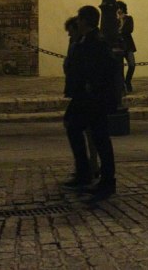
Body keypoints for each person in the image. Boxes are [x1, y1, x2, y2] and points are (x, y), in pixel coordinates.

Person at [63, 5, 117, 200]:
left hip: (92, 98)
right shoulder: (87, 39)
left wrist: (92, 86)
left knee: (99, 137)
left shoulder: (96, 41)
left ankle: (103, 179)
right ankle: (87, 173)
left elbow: (103, 68)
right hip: (84, 96)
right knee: (78, 128)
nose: (77, 21)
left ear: (85, 20)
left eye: (79, 18)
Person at [63, 17, 99, 181]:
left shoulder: (86, 44)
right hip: (79, 92)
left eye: (71, 31)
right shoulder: (77, 43)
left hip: (84, 94)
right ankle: (88, 167)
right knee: (79, 127)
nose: (69, 35)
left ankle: (87, 169)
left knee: (77, 127)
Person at [116, 1, 137, 93]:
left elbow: (130, 29)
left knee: (132, 64)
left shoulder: (128, 18)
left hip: (128, 45)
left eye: (120, 8)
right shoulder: (113, 20)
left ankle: (127, 81)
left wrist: (121, 24)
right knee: (120, 67)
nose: (119, 10)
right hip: (118, 46)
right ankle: (123, 85)